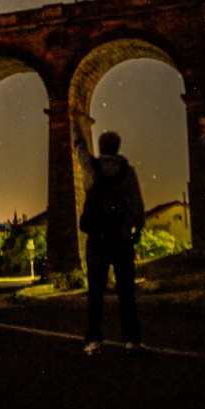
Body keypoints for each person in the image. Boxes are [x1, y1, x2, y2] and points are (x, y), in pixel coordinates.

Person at [75, 128, 147, 354]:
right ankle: (132, 341)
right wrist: (138, 228)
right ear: (118, 147)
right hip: (122, 238)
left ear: (102, 146)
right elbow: (137, 203)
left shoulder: (90, 167)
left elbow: (80, 150)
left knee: (95, 292)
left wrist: (75, 126)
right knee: (126, 290)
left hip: (97, 238)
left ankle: (93, 341)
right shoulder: (128, 172)